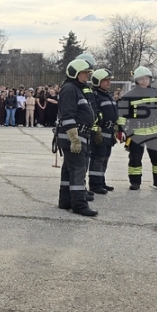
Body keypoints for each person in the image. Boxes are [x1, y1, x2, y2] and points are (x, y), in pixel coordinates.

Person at [116, 66, 157, 191]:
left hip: (155, 131)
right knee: (135, 159)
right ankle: (135, 182)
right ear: (136, 80)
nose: (144, 81)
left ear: (150, 79)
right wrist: (121, 131)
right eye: (141, 79)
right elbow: (122, 115)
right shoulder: (129, 96)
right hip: (136, 132)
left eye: (147, 78)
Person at [56, 59, 97, 217]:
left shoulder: (77, 88)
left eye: (87, 73)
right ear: (75, 73)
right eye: (84, 73)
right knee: (78, 170)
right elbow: (67, 115)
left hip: (79, 134)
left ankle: (65, 200)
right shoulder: (70, 89)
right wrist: (74, 139)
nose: (87, 76)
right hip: (73, 135)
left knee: (69, 170)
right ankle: (79, 205)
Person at [88, 69, 118, 194]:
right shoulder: (95, 95)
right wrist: (96, 130)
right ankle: (95, 184)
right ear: (98, 81)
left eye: (109, 80)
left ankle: (101, 181)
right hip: (100, 132)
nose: (109, 82)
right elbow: (93, 112)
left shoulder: (107, 94)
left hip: (109, 131)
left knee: (105, 158)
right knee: (98, 158)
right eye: (106, 80)